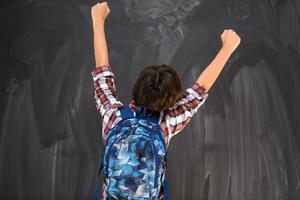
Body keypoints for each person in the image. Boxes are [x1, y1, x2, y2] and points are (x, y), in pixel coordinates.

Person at [90, 2, 241, 199]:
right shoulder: (167, 123)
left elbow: (103, 71)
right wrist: (227, 49)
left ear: (136, 89)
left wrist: (98, 21)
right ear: (172, 102)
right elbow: (200, 89)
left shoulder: (113, 116)